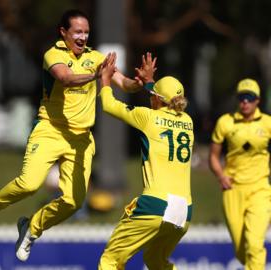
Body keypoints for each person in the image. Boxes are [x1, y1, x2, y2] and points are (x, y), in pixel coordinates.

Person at [0, 9, 142, 262]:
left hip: (81, 139)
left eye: (86, 32)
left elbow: (123, 83)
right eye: (77, 32)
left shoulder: (96, 57)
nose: (82, 37)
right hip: (50, 130)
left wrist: (140, 82)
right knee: (29, 184)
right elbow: (65, 78)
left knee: (74, 201)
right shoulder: (53, 54)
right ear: (64, 32)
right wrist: (97, 76)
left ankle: (31, 228)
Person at [98, 53, 194, 269]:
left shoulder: (147, 118)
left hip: (156, 204)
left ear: (157, 99)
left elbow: (108, 104)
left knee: (110, 260)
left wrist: (104, 80)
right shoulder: (188, 121)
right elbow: (162, 100)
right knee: (155, 261)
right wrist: (149, 82)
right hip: (184, 210)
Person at [209, 78, 271, 269]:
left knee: (254, 243)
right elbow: (213, 156)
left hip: (260, 189)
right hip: (233, 190)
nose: (245, 102)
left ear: (257, 100)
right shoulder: (225, 122)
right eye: (242, 97)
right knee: (240, 249)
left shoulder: (268, 123)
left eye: (250, 98)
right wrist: (221, 176)